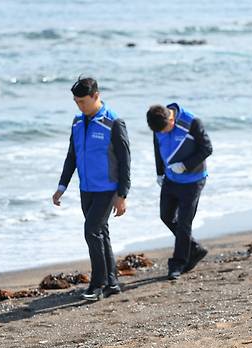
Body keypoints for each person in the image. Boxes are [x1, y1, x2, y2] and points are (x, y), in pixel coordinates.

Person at [52, 77, 131, 301]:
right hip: (86, 189)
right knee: (100, 233)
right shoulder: (77, 123)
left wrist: (122, 194)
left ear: (96, 96)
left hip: (108, 189)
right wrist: (62, 186)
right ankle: (112, 282)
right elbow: (72, 156)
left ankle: (98, 284)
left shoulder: (113, 122)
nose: (79, 106)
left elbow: (125, 161)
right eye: (76, 102)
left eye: (83, 101)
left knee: (91, 231)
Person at [146, 103, 212, 280]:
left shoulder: (192, 122)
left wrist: (185, 166)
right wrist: (159, 173)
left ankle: (178, 263)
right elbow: (157, 149)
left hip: (193, 181)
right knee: (166, 216)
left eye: (167, 128)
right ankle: (195, 249)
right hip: (170, 179)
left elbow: (207, 148)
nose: (164, 132)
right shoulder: (158, 125)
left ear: (171, 118)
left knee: (184, 222)